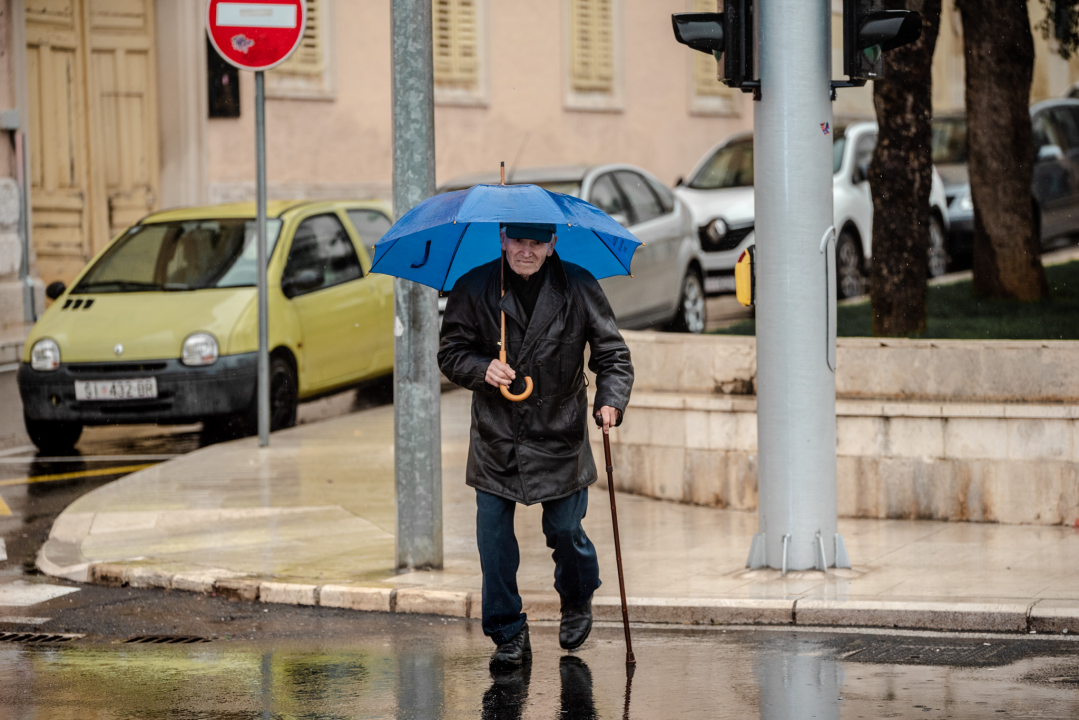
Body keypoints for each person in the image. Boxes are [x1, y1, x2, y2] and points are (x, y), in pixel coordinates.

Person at [438, 222, 634, 669]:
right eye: (518, 242)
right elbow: (450, 353)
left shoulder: (580, 286)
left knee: (566, 532)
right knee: (494, 544)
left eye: (536, 243)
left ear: (552, 245)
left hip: (559, 434)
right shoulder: (473, 287)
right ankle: (507, 631)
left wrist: (610, 401)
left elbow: (612, 356)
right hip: (496, 438)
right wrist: (481, 367)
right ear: (502, 240)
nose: (526, 251)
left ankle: (577, 595)